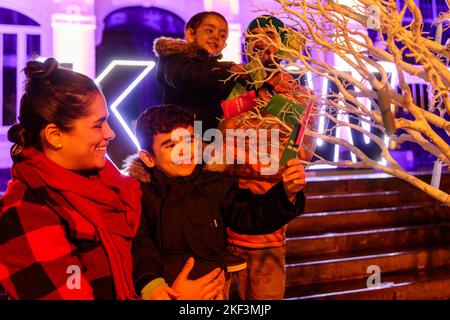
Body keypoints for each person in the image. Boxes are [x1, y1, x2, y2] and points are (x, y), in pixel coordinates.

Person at [0, 58, 222, 300]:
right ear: (55, 135)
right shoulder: (27, 213)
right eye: (98, 125)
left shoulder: (110, 184)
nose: (110, 133)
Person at [123, 104, 307, 300]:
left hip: (214, 292)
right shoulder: (140, 194)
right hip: (168, 292)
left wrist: (286, 194)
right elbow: (141, 246)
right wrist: (153, 286)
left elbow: (250, 215)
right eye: (170, 145)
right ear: (148, 158)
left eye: (189, 140)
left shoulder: (214, 182)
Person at [225, 15, 316, 300]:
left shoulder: (301, 96)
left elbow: (300, 154)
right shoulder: (234, 87)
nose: (260, 42)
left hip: (268, 220)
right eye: (252, 36)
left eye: (269, 34)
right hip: (222, 217)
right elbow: (220, 141)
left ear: (284, 43)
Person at [153, 11, 246, 131]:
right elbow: (185, 76)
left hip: (211, 137)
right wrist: (229, 69)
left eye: (222, 35)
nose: (216, 36)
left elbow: (231, 104)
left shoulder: (217, 71)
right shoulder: (174, 59)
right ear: (190, 34)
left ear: (225, 45)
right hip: (184, 133)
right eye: (209, 30)